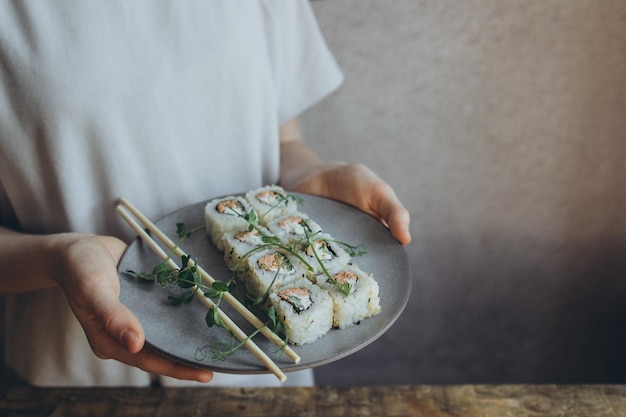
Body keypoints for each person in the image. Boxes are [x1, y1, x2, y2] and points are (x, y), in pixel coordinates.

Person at [0, 1, 411, 386]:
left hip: (267, 363)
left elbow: (284, 140)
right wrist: (56, 258)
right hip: (77, 379)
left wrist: (312, 172)